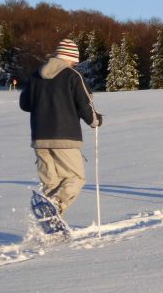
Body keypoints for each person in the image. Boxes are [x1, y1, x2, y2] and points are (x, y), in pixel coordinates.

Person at [19, 38, 102, 217]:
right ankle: (55, 206)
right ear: (69, 58)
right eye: (74, 61)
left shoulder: (35, 76)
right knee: (75, 178)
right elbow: (85, 105)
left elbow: (25, 104)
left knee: (52, 184)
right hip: (66, 137)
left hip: (39, 139)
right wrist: (95, 121)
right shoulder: (73, 76)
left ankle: (51, 221)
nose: (74, 64)